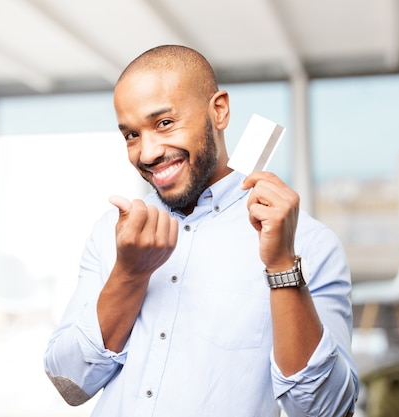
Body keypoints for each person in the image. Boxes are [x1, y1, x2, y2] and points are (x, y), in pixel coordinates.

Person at [44, 44, 358, 417]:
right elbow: (70, 383)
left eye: (164, 123)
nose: (146, 154)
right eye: (131, 135)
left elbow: (326, 411)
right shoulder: (115, 232)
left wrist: (281, 267)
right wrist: (129, 275)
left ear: (219, 110)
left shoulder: (309, 244)